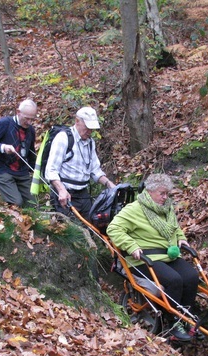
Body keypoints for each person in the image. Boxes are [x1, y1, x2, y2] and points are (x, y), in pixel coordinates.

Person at [106, 173, 198, 342]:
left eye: (167, 194)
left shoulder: (166, 209)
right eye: (162, 193)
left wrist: (181, 238)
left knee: (192, 277)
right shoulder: (134, 209)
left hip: (167, 255)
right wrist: (132, 246)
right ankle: (171, 323)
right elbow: (113, 229)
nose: (165, 197)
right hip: (144, 258)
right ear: (150, 191)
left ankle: (185, 316)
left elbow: (174, 228)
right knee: (174, 280)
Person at [44, 106, 115, 219]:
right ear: (77, 121)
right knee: (70, 231)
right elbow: (51, 170)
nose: (90, 131)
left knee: (91, 228)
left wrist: (109, 184)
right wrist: (61, 190)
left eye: (92, 128)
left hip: (83, 195)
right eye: (87, 127)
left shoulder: (90, 142)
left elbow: (95, 170)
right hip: (66, 194)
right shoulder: (63, 138)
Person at [0, 99, 38, 207]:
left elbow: (31, 153)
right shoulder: (4, 124)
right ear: (18, 112)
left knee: (33, 204)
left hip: (21, 172)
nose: (29, 122)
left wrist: (37, 170)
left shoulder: (31, 130)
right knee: (16, 203)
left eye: (32, 119)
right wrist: (3, 147)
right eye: (26, 118)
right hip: (2, 170)